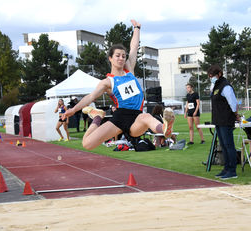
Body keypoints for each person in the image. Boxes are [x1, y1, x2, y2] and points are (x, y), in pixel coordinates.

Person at [62, 19, 174, 150]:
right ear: (110, 58)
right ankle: (98, 116)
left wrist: (137, 28)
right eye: (117, 56)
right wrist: (73, 110)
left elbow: (134, 47)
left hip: (137, 116)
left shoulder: (129, 70)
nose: (121, 58)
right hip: (120, 118)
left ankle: (165, 128)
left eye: (123, 56)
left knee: (147, 117)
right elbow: (90, 97)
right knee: (87, 144)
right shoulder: (108, 82)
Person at [208, 64, 240, 180]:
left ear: (219, 74)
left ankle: (232, 170)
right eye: (210, 76)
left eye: (212, 75)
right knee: (224, 146)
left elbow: (233, 103)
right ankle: (226, 168)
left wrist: (236, 115)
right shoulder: (215, 86)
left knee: (229, 145)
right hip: (218, 120)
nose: (211, 77)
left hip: (226, 119)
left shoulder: (226, 86)